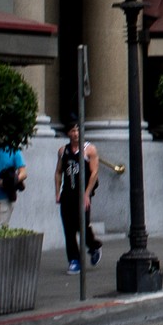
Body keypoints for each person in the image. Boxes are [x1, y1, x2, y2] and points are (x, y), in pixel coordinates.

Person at [54, 118, 103, 275]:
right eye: (72, 131)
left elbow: (94, 172)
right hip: (68, 193)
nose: (75, 134)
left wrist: (87, 193)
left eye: (77, 130)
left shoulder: (90, 150)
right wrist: (57, 192)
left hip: (82, 194)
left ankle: (94, 246)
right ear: (68, 133)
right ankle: (73, 260)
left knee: (83, 224)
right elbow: (58, 171)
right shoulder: (63, 151)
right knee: (68, 228)